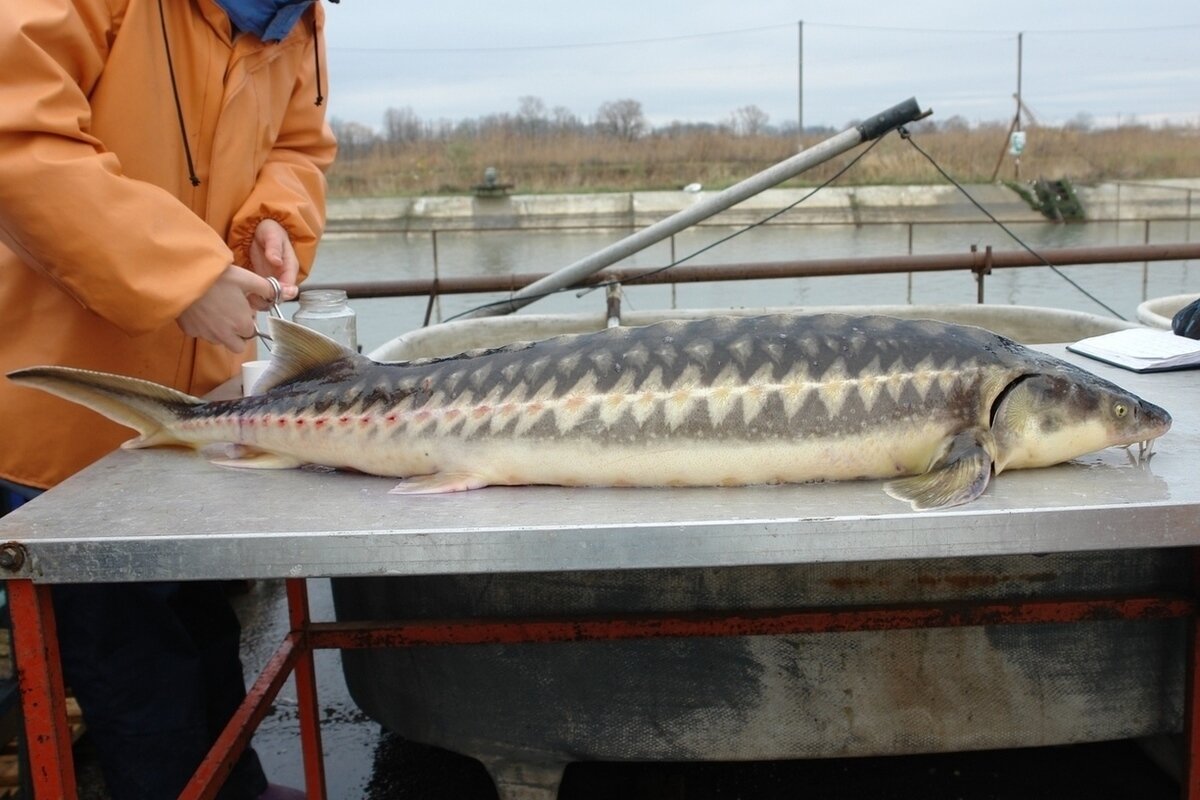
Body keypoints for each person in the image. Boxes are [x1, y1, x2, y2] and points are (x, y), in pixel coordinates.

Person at [0, 1, 338, 798]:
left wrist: (274, 220)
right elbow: (18, 141)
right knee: (134, 667)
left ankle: (231, 786)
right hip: (64, 408)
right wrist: (186, 277)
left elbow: (297, 148)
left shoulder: (302, 22)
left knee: (202, 625)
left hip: (202, 405)